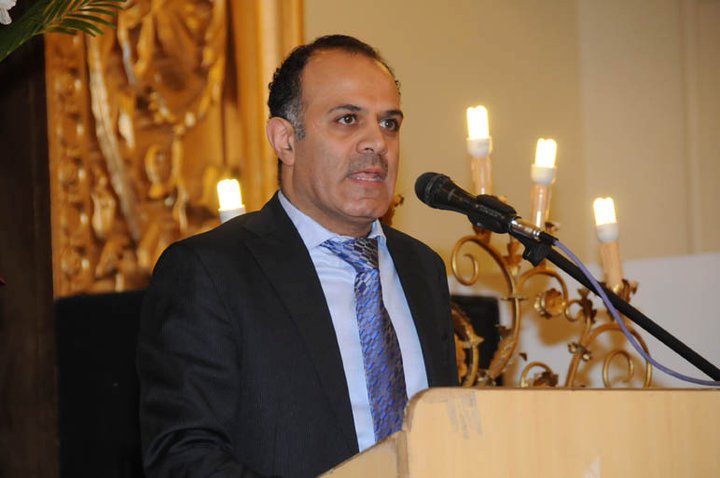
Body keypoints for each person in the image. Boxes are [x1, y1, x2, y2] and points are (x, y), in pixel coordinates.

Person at [137, 34, 458, 478]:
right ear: (285, 140)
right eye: (348, 119)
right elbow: (185, 456)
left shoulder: (422, 268)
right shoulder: (212, 271)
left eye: (389, 123)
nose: (377, 143)